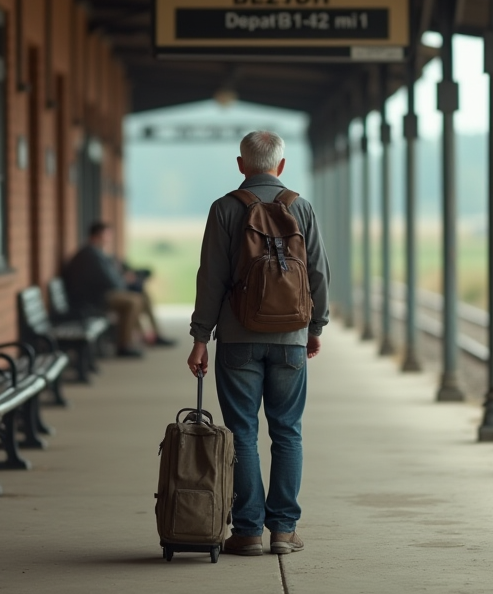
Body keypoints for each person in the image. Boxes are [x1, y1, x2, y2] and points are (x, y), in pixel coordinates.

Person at [186, 130, 329, 557]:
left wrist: (200, 338)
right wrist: (315, 327)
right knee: (288, 433)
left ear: (241, 164)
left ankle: (247, 531)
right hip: (289, 338)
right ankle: (283, 531)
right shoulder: (300, 206)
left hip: (238, 339)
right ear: (281, 166)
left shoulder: (225, 208)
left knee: (243, 433)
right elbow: (318, 273)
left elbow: (210, 278)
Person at [61, 222, 173, 357]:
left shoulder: (97, 253)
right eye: (105, 236)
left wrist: (124, 277)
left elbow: (112, 278)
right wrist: (126, 279)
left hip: (99, 295)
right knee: (133, 301)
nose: (108, 240)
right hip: (91, 300)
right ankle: (124, 344)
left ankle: (152, 335)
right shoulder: (90, 255)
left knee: (141, 295)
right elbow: (112, 282)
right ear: (95, 236)